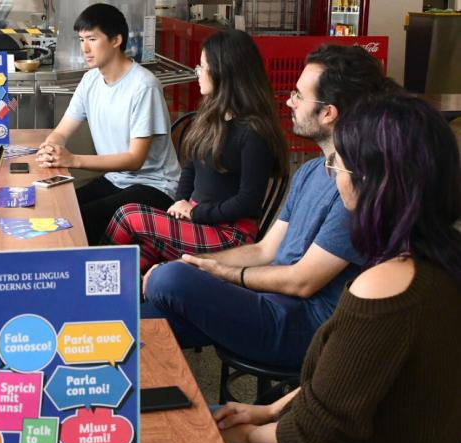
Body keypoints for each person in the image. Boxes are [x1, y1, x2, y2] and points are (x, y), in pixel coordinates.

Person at [212, 93, 461, 443]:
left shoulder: (385, 285)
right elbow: (342, 388)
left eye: (338, 165)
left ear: (372, 182)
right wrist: (268, 412)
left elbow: (316, 433)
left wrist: (248, 436)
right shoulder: (444, 257)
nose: (333, 175)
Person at [142, 44, 394, 369]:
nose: (289, 101)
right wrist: (196, 263)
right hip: (269, 303)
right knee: (145, 317)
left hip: (305, 326)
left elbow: (302, 282)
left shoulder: (356, 188)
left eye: (298, 95)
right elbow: (265, 250)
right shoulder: (310, 171)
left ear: (328, 113)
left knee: (170, 280)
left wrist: (218, 273)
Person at [104, 30, 288, 273]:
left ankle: (95, 280)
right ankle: (113, 290)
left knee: (127, 216)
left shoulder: (254, 132)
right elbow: (190, 168)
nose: (197, 73)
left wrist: (195, 212)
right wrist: (180, 203)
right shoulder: (212, 116)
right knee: (139, 256)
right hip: (198, 221)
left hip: (230, 235)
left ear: (224, 72)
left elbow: (248, 202)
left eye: (203, 67)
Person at [36, 3, 181, 245]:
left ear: (116, 40)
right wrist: (50, 148)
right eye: (81, 39)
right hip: (116, 180)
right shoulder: (90, 80)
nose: (85, 48)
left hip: (155, 186)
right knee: (58, 208)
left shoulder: (143, 86)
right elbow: (61, 131)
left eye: (92, 39)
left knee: (79, 220)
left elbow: (135, 159)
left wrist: (73, 160)